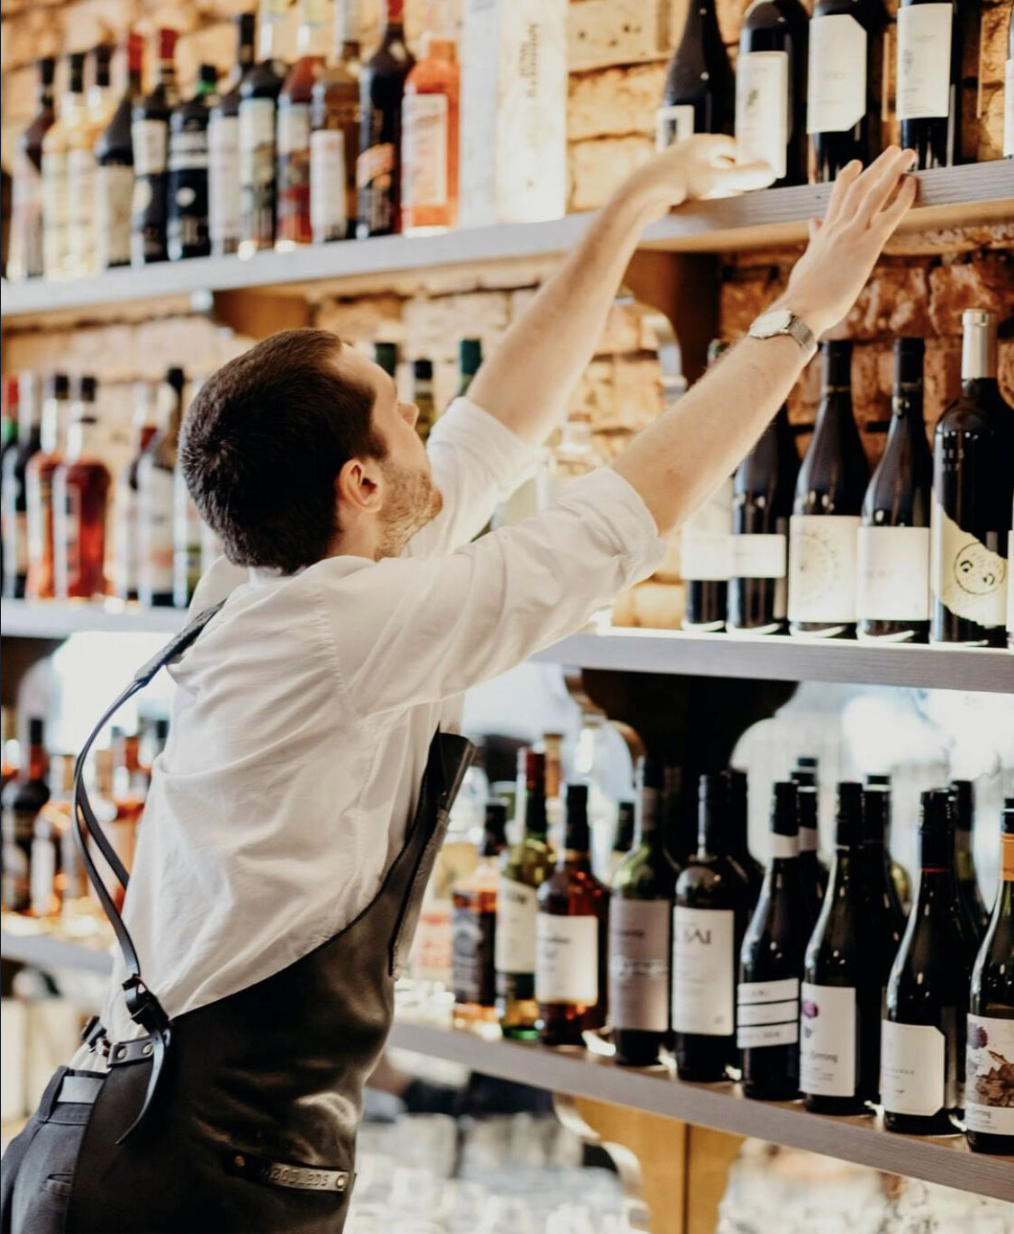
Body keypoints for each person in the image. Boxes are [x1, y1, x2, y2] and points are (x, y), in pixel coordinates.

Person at [1, 138, 918, 1234]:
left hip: (109, 1133)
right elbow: (630, 511)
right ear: (360, 480)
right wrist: (805, 310)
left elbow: (497, 421)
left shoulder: (273, 562)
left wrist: (631, 203)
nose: (421, 421)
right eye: (395, 406)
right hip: (194, 1183)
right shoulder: (349, 626)